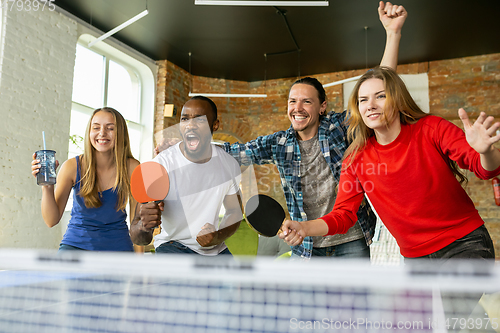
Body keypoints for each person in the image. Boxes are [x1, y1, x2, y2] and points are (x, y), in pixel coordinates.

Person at [218, 2, 408, 259]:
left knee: (356, 301)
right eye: (292, 101)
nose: (297, 108)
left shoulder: (338, 128)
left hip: (351, 239)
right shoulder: (279, 143)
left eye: (307, 101)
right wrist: (185, 149)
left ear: (322, 107)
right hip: (306, 245)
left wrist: (393, 33)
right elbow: (234, 152)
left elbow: (380, 84)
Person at [279, 66, 499, 263]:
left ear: (397, 98)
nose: (371, 105)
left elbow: (485, 170)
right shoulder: (355, 157)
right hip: (416, 258)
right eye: (363, 100)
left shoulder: (431, 128)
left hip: (465, 243)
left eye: (380, 96)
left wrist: (486, 150)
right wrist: (303, 227)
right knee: (429, 310)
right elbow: (343, 215)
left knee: (448, 308)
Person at [130, 96, 243, 256]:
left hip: (216, 250)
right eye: (185, 119)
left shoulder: (228, 164)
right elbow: (138, 237)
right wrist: (143, 225)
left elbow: (235, 211)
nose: (190, 125)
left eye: (200, 120)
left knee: (240, 281)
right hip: (173, 246)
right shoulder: (161, 164)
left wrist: (217, 236)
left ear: (215, 125)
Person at [31, 107, 140, 251]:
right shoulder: (71, 166)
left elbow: (137, 223)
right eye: (96, 127)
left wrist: (140, 266)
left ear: (121, 133)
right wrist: (47, 186)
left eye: (110, 128)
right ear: (89, 132)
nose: (102, 133)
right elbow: (51, 220)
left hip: (117, 249)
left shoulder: (133, 168)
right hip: (75, 247)